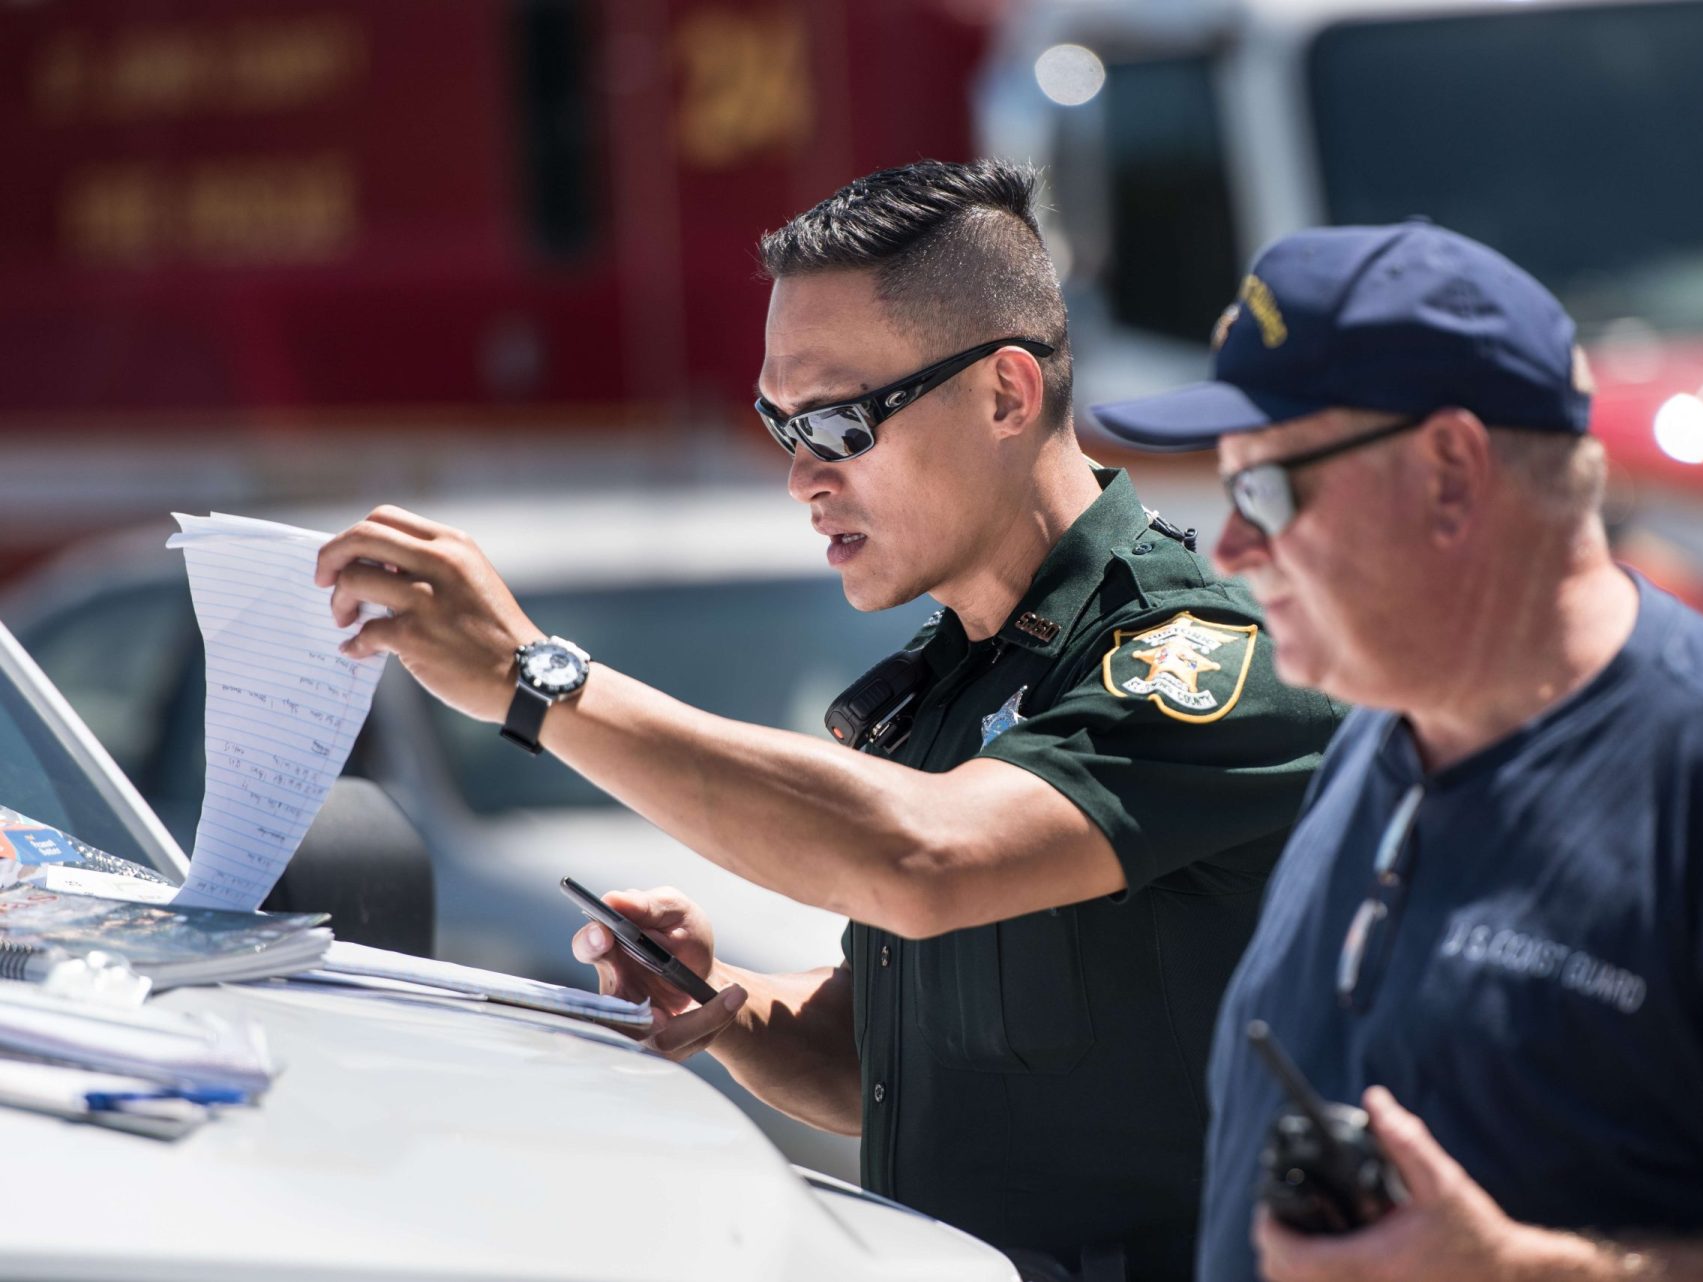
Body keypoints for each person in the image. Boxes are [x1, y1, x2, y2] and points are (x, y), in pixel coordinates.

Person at [314, 159, 1341, 1279]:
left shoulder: (1204, 658)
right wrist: (727, 1003)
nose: (803, 476)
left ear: (1007, 393)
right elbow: (881, 1066)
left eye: (842, 423)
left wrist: (539, 682)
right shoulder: (944, 686)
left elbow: (923, 855)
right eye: (780, 423)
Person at [1089, 219, 1703, 1282]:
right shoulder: (1378, 737)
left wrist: (1528, 1272)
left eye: (1264, 486)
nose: (1237, 546)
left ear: (1449, 471)